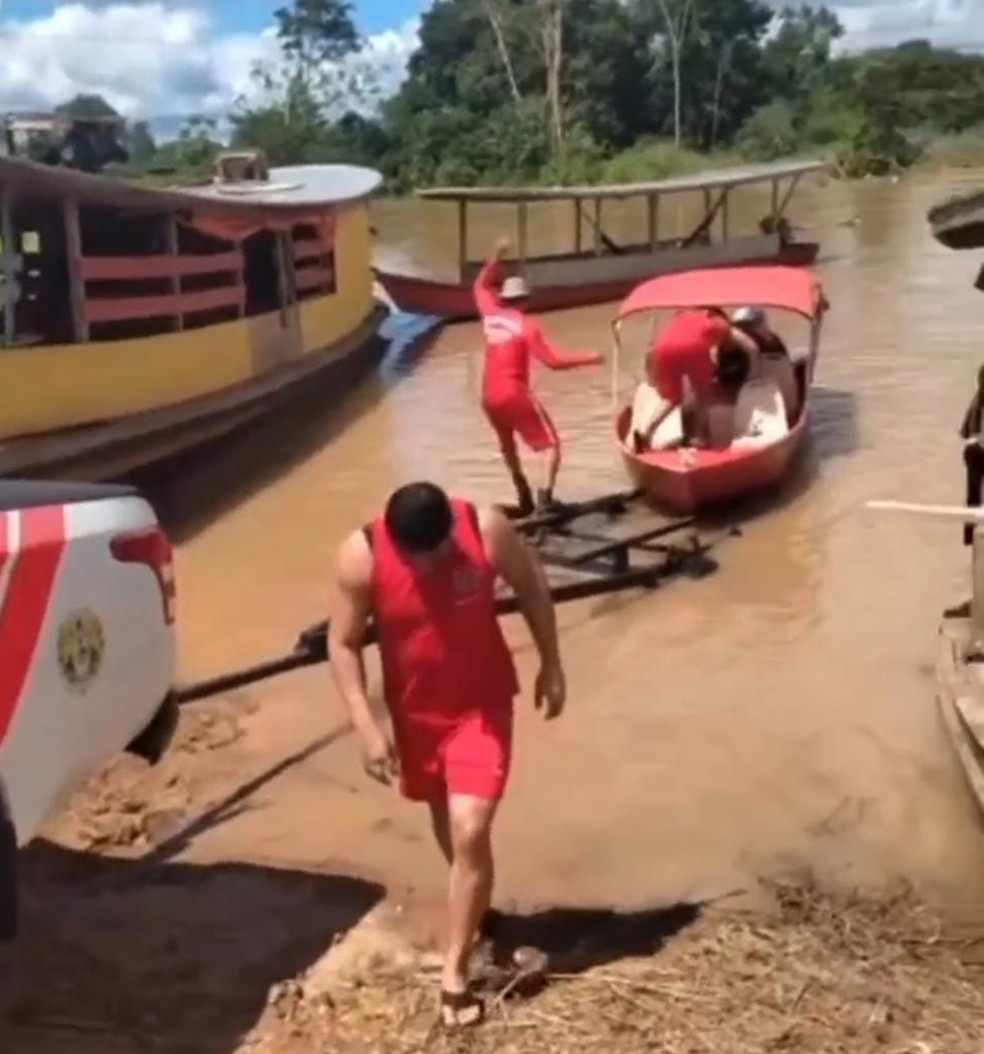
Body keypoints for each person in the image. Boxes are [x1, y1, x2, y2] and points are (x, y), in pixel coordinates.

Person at [328, 481, 566, 1029]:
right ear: (396, 541)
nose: (434, 562)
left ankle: (454, 973)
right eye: (422, 556)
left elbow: (532, 587)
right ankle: (480, 914)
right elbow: (341, 644)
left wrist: (551, 664)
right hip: (416, 718)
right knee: (453, 830)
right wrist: (366, 726)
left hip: (481, 708)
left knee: (469, 827)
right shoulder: (359, 557)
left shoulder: (485, 530)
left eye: (441, 550)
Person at [474, 239, 604, 514]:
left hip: (487, 395)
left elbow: (480, 285)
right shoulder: (526, 326)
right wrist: (590, 357)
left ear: (504, 298)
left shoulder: (489, 313)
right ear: (527, 300)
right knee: (552, 446)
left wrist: (496, 256)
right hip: (513, 391)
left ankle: (522, 494)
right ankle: (545, 498)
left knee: (508, 446)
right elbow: (553, 362)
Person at [631, 305, 759, 452]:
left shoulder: (681, 317)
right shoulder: (720, 323)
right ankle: (698, 438)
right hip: (693, 347)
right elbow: (749, 347)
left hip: (662, 348)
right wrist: (752, 378)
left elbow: (652, 356)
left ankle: (645, 433)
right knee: (703, 394)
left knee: (673, 398)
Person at [960, 365, 984, 547]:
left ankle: (971, 539)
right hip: (979, 453)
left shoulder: (976, 401)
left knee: (973, 498)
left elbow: (964, 432)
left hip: (973, 453)